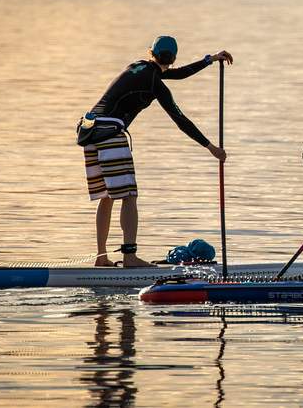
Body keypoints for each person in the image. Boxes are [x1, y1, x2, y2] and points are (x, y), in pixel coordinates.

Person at [82, 36, 232, 267]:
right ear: (172, 59)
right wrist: (211, 147)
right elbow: (180, 119)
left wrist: (209, 60)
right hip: (111, 135)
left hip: (89, 133)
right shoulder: (155, 83)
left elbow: (177, 74)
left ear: (150, 53)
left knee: (107, 197)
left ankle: (101, 258)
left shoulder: (136, 67)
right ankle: (130, 257)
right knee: (129, 196)